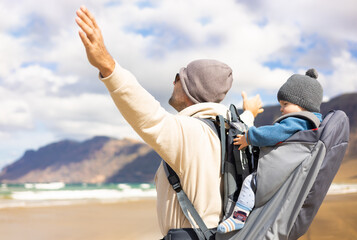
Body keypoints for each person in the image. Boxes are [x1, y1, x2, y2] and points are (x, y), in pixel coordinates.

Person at [75, 6, 264, 239]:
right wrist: (250, 112)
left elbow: (147, 114)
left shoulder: (189, 133)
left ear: (189, 89)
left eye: (178, 78)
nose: (172, 82)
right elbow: (243, 120)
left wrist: (107, 66)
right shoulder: (231, 130)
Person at [217, 68, 323, 233]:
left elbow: (273, 134)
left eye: (285, 104)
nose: (281, 109)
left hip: (276, 171)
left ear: (303, 105)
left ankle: (239, 217)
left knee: (250, 183)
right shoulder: (311, 123)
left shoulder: (296, 122)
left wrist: (249, 137)